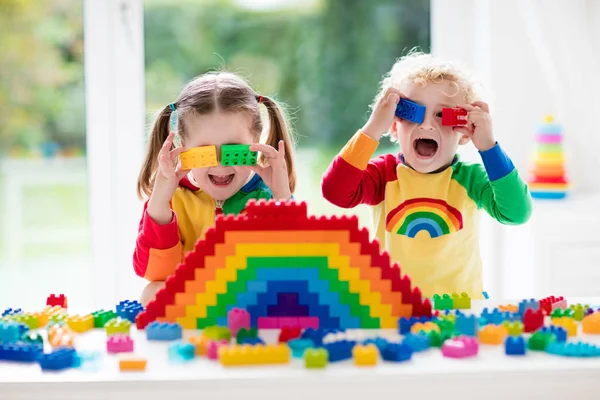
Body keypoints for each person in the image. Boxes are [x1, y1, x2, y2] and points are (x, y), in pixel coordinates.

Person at [321, 51, 532, 299]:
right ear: (394, 125)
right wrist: (372, 128)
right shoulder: (384, 175)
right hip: (392, 308)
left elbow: (517, 213)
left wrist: (488, 146)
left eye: (443, 115)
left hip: (461, 309)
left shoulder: (470, 179)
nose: (427, 125)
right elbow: (335, 192)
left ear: (464, 132)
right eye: (413, 113)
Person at [134, 72, 296, 305]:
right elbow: (154, 272)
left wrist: (282, 199)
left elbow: (291, 268)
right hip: (195, 302)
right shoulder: (173, 199)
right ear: (183, 147)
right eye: (205, 152)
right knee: (152, 292)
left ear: (256, 141)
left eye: (233, 150)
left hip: (250, 301)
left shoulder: (266, 197)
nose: (220, 164)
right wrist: (160, 202)